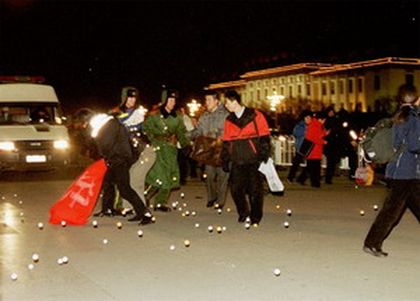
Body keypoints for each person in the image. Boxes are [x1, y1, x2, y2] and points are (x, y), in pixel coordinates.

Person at [363, 84, 420, 257]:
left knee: (407, 207)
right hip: (406, 171)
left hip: (400, 170)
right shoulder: (413, 118)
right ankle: (372, 243)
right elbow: (414, 145)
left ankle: (372, 243)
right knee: (391, 211)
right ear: (415, 99)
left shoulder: (399, 116)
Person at [90, 114, 153, 225]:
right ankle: (108, 209)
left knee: (124, 189)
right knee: (108, 183)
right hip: (116, 159)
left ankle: (145, 213)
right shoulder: (109, 124)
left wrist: (102, 154)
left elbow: (106, 144)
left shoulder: (110, 125)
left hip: (119, 160)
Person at [221, 90, 271, 225]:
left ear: (233, 101)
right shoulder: (228, 120)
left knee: (255, 190)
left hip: (253, 158)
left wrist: (264, 153)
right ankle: (243, 212)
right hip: (237, 159)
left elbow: (265, 135)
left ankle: (256, 216)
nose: (225, 105)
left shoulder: (255, 115)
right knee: (236, 189)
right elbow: (226, 141)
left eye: (226, 102)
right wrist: (225, 158)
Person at [143, 91, 190, 212]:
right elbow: (146, 130)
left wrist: (185, 144)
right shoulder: (154, 115)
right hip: (158, 148)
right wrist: (152, 139)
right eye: (169, 100)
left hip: (171, 149)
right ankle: (145, 196)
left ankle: (161, 203)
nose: (172, 103)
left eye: (174, 100)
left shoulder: (177, 116)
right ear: (164, 101)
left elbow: (181, 131)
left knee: (169, 175)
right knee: (158, 175)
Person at [190, 92, 230, 209]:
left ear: (216, 101)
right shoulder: (204, 116)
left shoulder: (226, 115)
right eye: (206, 100)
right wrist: (187, 135)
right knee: (209, 175)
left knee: (223, 176)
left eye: (209, 100)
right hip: (208, 151)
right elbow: (198, 131)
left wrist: (219, 135)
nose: (206, 103)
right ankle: (211, 197)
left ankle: (220, 201)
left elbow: (228, 131)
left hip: (222, 149)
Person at [297, 111, 329, 188]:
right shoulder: (316, 125)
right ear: (321, 119)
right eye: (324, 120)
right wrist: (323, 142)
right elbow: (314, 138)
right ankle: (315, 182)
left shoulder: (316, 125)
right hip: (314, 150)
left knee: (311, 167)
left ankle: (303, 179)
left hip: (314, 150)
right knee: (315, 167)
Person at [287, 110, 312, 183]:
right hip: (301, 146)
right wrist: (306, 131)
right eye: (307, 118)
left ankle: (302, 178)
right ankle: (290, 177)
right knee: (296, 163)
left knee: (310, 163)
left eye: (310, 118)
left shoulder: (312, 125)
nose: (308, 119)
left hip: (309, 146)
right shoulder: (300, 125)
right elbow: (296, 133)